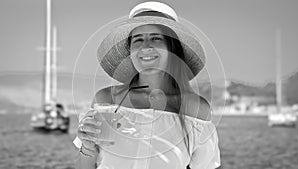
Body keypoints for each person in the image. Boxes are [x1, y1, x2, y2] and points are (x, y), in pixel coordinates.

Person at [74, 2, 220, 169]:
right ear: (130, 51)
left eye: (156, 38)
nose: (145, 46)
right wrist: (87, 146)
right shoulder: (106, 100)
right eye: (138, 40)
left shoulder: (196, 110)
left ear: (172, 48)